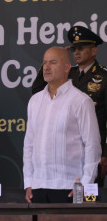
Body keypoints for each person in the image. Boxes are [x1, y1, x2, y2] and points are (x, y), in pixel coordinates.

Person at [24, 47, 101, 203]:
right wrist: (29, 181)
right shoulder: (35, 101)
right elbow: (29, 144)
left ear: (67, 67)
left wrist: (85, 184)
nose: (46, 67)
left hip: (69, 187)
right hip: (38, 187)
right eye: (45, 62)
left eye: (53, 62)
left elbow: (92, 145)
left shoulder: (81, 101)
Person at [31, 26, 107, 181]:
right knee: (64, 194)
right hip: (66, 152)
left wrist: (105, 153)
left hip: (93, 149)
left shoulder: (104, 76)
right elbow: (37, 89)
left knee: (88, 193)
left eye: (81, 48)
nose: (76, 52)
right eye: (74, 49)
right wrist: (51, 62)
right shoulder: (67, 73)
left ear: (94, 51)